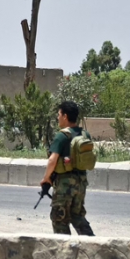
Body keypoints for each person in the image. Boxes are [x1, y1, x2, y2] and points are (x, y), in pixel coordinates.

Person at [40, 101, 95, 236]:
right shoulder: (85, 135)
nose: (57, 117)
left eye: (59, 114)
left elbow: (52, 160)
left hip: (65, 184)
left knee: (59, 218)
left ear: (65, 116)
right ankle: (92, 243)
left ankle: (64, 250)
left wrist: (46, 178)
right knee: (77, 215)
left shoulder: (62, 135)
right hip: (81, 182)